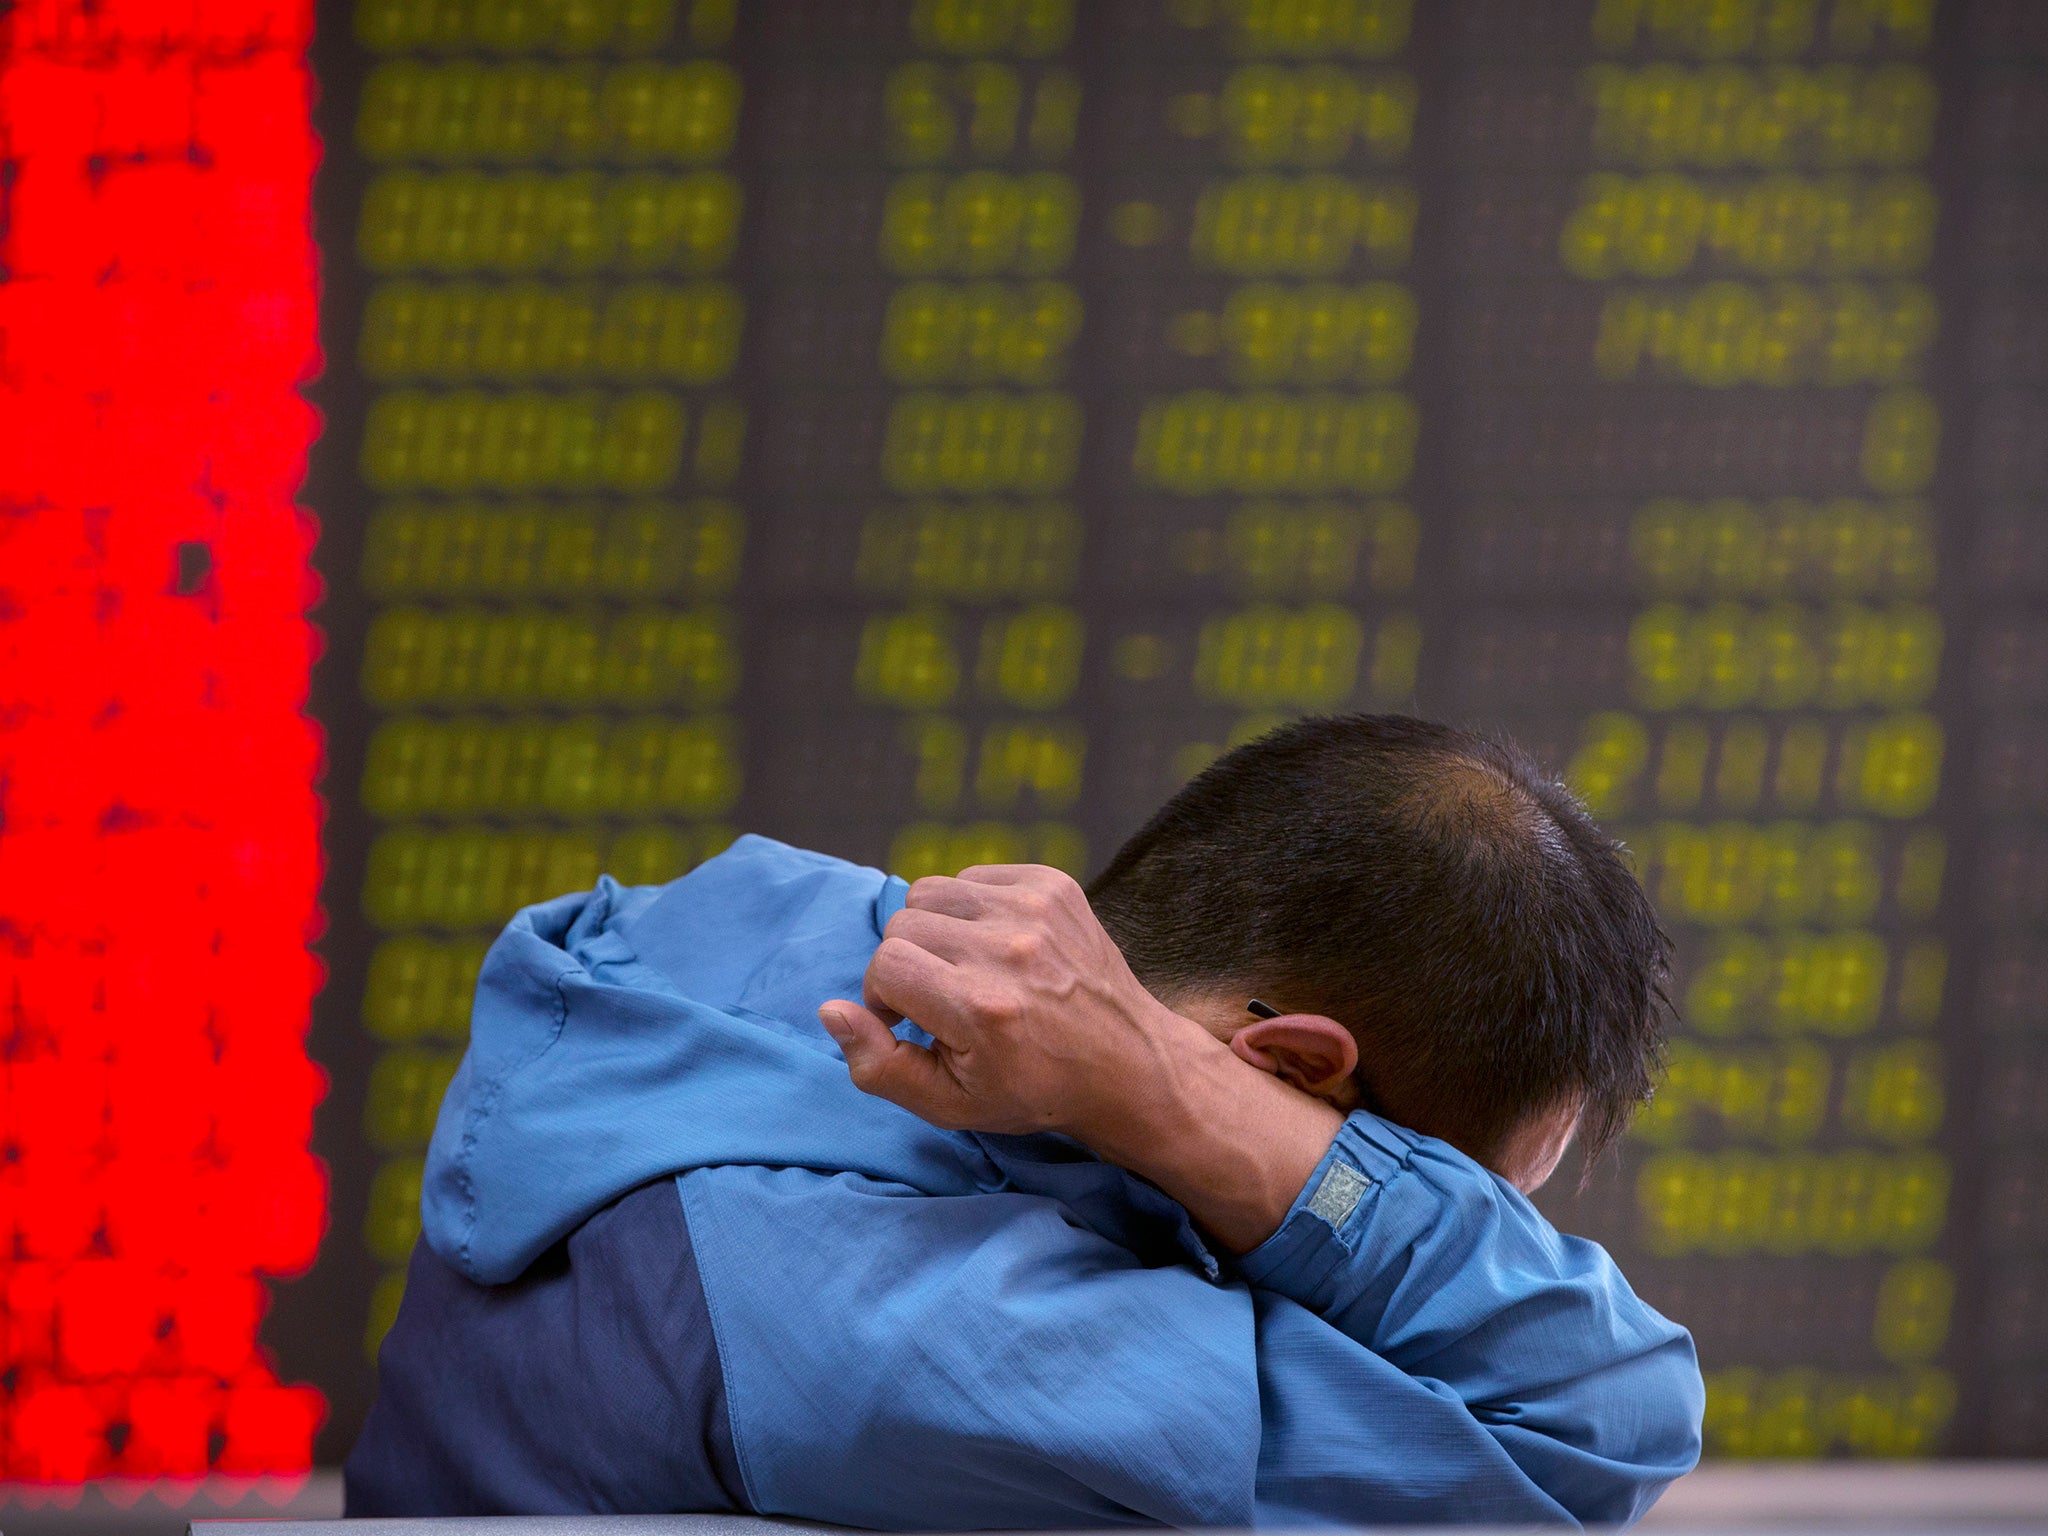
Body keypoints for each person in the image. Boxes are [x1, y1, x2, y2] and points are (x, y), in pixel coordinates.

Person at [346, 714, 1704, 1528]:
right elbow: (1588, 1417)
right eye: (1415, 1174)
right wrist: (1180, 1098)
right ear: (1287, 1068)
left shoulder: (778, 928)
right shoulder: (931, 1327)